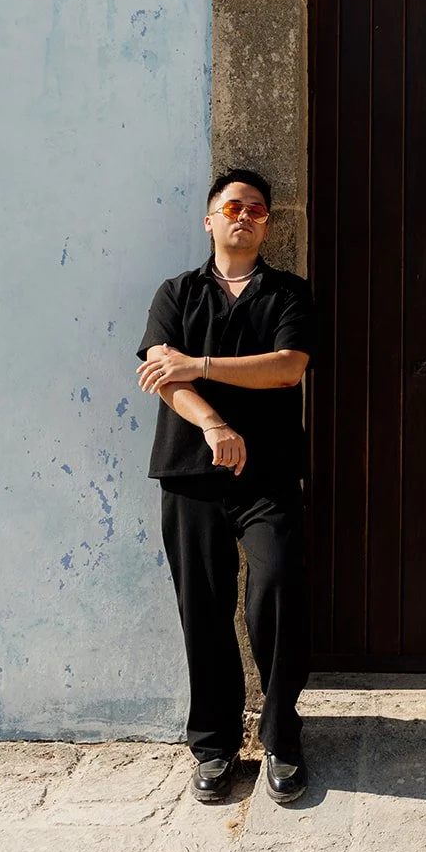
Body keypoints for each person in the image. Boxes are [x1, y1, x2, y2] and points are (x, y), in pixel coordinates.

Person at [136, 169, 314, 805]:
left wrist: (200, 364)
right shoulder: (177, 294)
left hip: (269, 477)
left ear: (267, 224)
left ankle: (281, 736)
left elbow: (287, 368)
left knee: (276, 592)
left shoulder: (288, 294)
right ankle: (213, 745)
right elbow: (161, 374)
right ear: (210, 220)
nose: (245, 216)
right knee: (204, 610)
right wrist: (213, 421)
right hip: (190, 474)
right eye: (232, 206)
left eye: (258, 210)